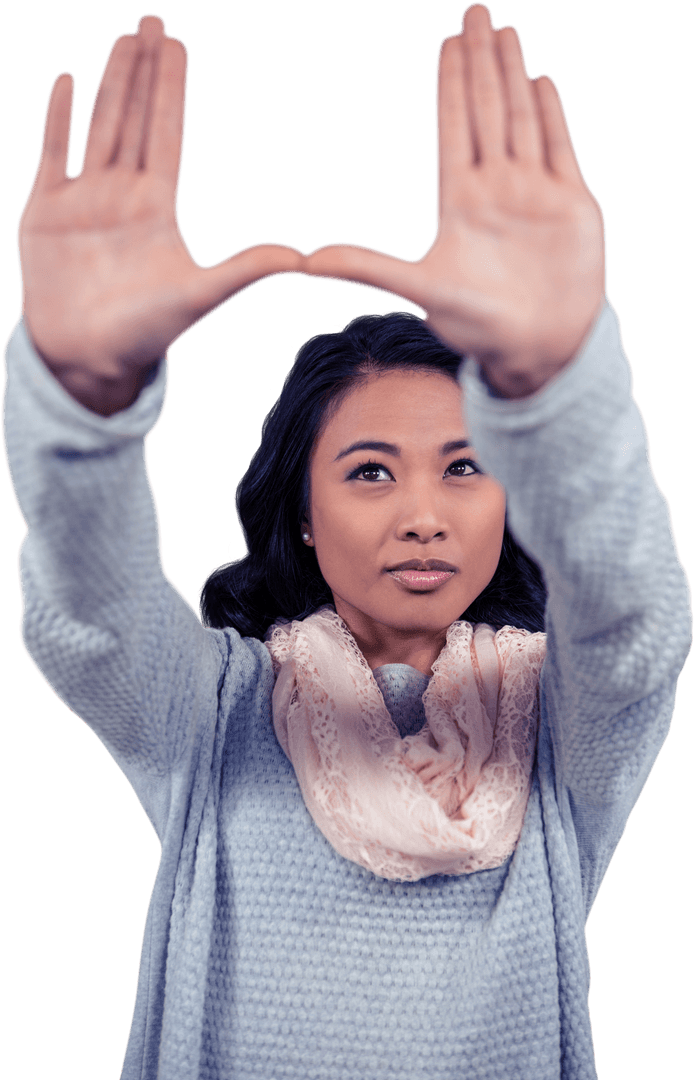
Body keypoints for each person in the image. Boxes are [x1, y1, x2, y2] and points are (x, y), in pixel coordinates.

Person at [2, 5, 690, 1079]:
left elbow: (637, 623)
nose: (423, 511)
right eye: (370, 471)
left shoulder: (561, 727)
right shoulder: (211, 711)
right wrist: (84, 405)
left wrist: (557, 389)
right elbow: (90, 622)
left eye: (466, 467)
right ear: (306, 514)